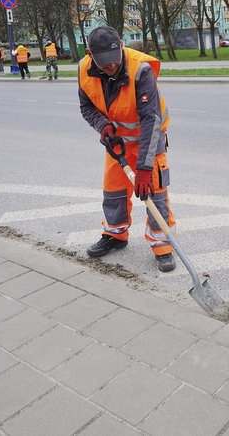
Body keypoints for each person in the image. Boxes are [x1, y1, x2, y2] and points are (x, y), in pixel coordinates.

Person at [77, 26, 177, 273]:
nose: (111, 67)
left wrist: (143, 168)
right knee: (114, 192)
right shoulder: (84, 70)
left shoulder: (140, 70)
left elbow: (150, 120)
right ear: (90, 54)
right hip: (118, 143)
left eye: (114, 61)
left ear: (121, 46)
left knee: (155, 193)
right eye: (104, 64)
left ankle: (162, 245)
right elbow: (87, 107)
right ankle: (115, 235)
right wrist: (104, 127)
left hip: (149, 140)